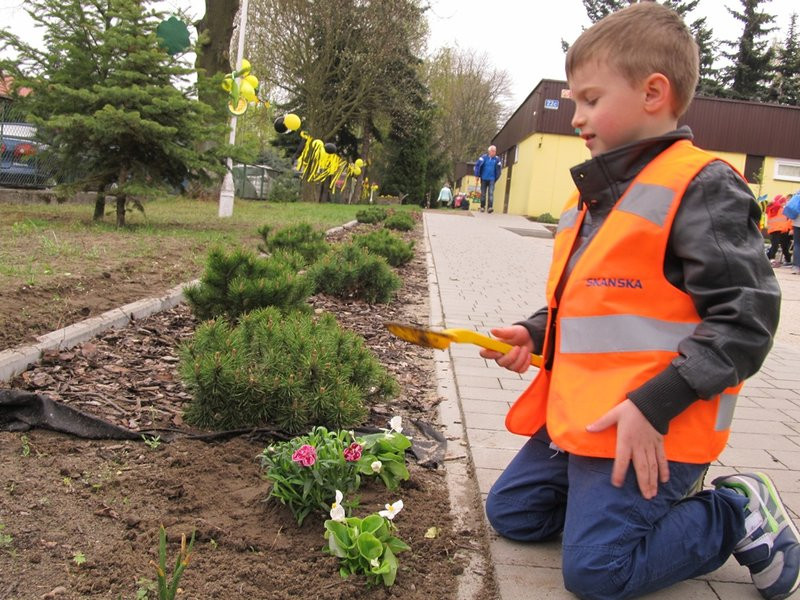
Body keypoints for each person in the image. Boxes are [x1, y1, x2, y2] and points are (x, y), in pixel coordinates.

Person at [478, 4, 794, 600]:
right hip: (587, 418)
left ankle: (735, 509)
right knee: (513, 514)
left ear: (654, 92)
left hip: (655, 425)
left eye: (590, 100)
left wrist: (655, 404)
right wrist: (538, 331)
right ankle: (612, 511)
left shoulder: (703, 186)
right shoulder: (599, 193)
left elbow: (746, 321)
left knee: (597, 573)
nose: (576, 117)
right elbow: (598, 304)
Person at [765, 194, 793, 267]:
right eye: (784, 202)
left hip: (782, 230)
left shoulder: (781, 209)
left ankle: (788, 260)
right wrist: (779, 200)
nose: (785, 203)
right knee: (775, 245)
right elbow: (776, 205)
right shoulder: (774, 208)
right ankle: (771, 259)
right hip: (775, 230)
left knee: (784, 246)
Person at [473, 145, 502, 213]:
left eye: (495, 151)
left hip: (492, 179)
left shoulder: (497, 159)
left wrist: (496, 178)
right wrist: (477, 175)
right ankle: (482, 207)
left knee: (491, 193)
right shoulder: (483, 158)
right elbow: (477, 166)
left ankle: (490, 207)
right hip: (483, 178)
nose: (494, 152)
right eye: (492, 151)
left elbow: (499, 170)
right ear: (489, 151)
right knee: (483, 193)